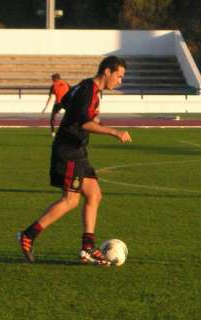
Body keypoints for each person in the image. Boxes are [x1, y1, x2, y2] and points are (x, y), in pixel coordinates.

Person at [18, 56, 132, 265]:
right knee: (70, 200)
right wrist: (114, 132)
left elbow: (66, 102)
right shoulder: (89, 90)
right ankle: (28, 235)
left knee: (94, 195)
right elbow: (84, 122)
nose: (120, 81)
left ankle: (87, 249)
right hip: (68, 152)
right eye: (119, 76)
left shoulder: (85, 87)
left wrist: (85, 118)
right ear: (107, 71)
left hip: (77, 151)